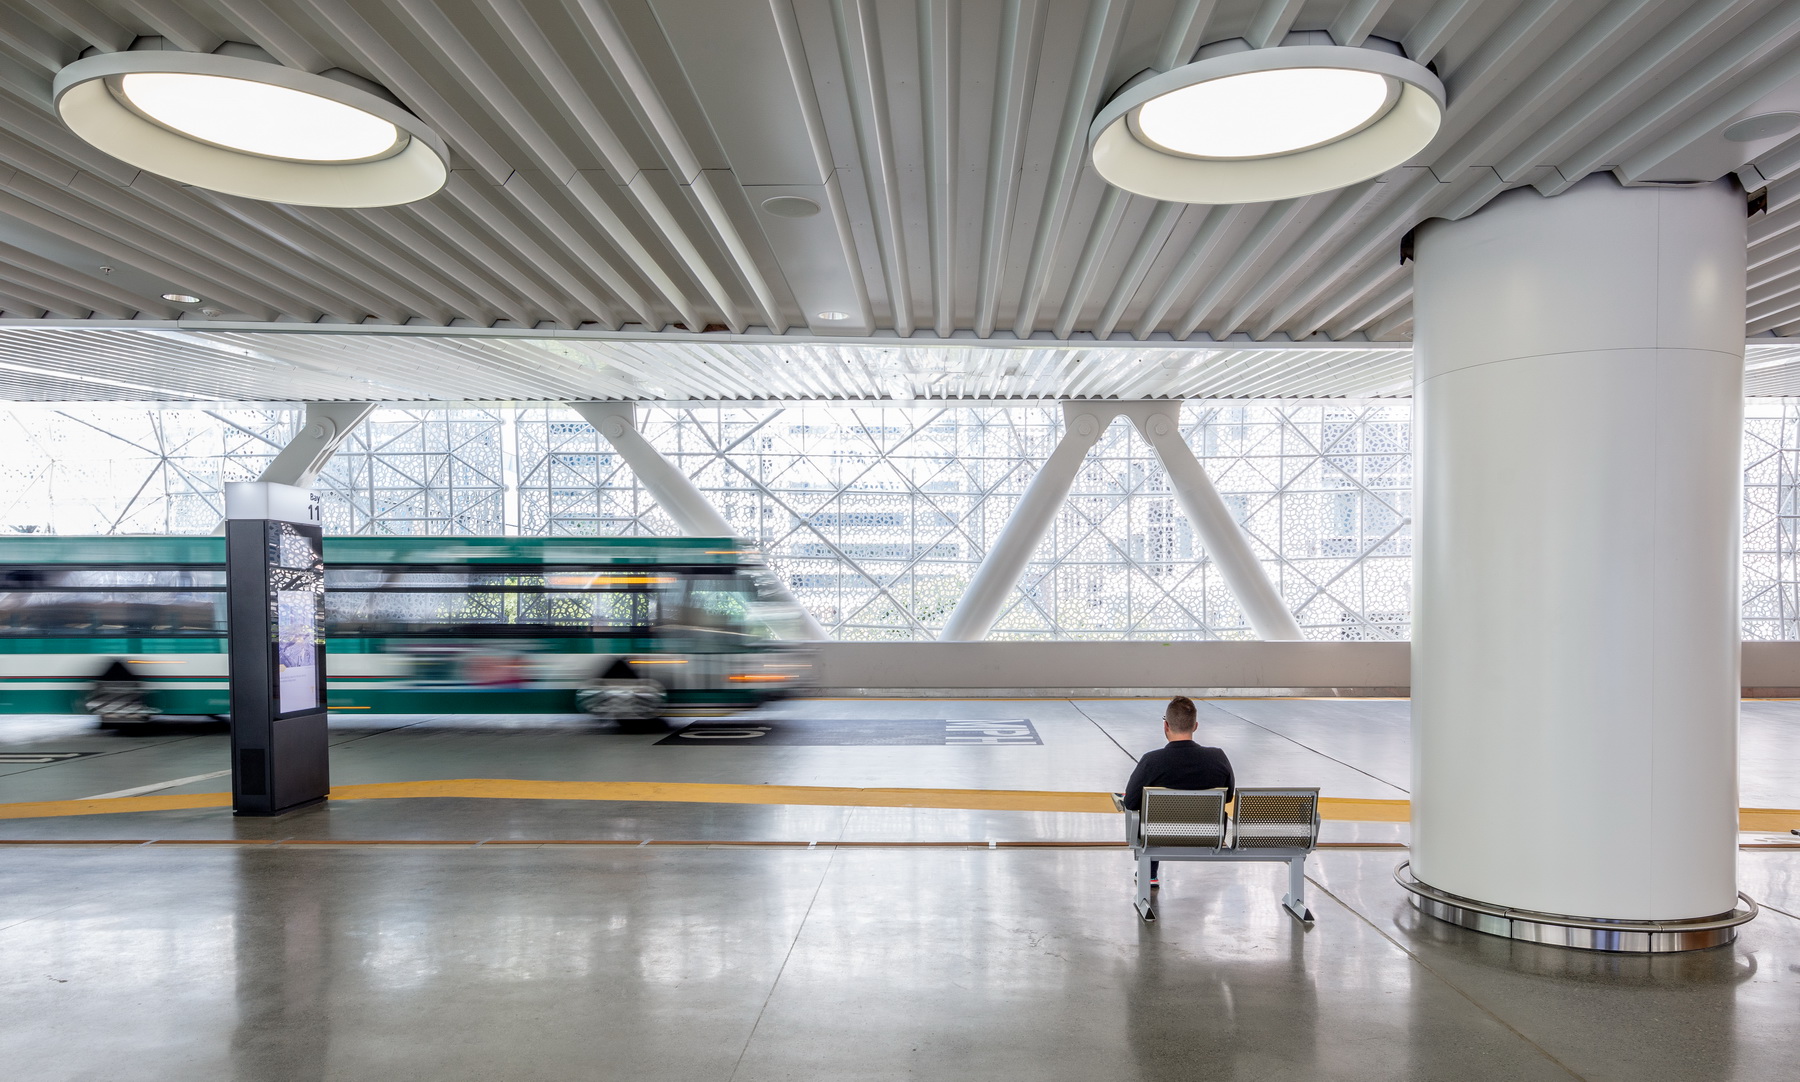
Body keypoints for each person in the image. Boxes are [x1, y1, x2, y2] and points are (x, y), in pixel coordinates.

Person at [1121, 695, 1235, 888]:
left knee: (1149, 817)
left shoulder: (1152, 761)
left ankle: (1149, 873)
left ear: (1166, 726)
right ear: (1195, 726)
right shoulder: (1218, 757)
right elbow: (1229, 795)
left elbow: (1130, 802)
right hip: (1209, 835)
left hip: (1159, 835)